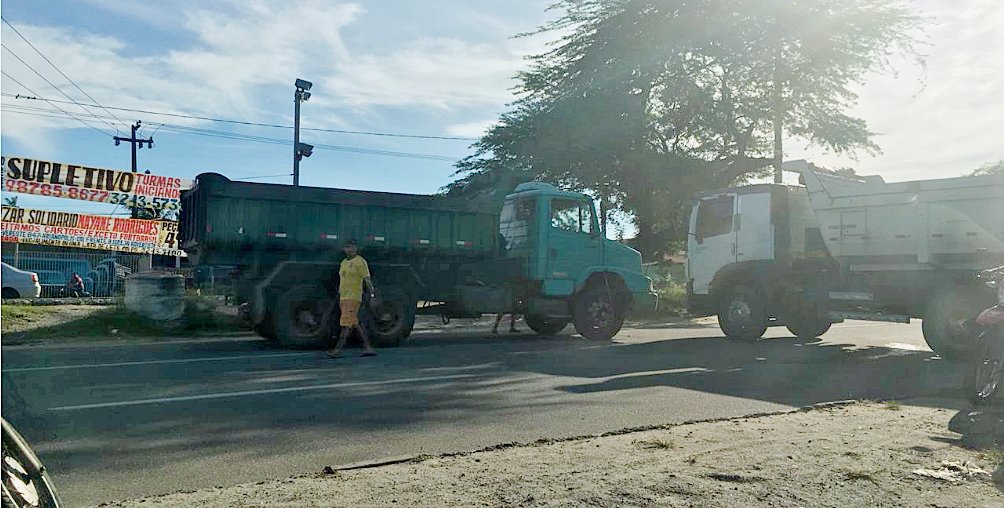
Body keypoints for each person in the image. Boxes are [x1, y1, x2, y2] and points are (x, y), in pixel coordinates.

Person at [327, 239, 378, 358]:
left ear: (356, 248)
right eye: (347, 247)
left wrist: (372, 295)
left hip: (353, 297)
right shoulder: (343, 262)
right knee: (354, 323)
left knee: (346, 324)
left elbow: (367, 280)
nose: (349, 249)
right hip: (344, 297)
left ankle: (337, 350)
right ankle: (368, 347)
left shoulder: (360, 262)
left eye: (351, 247)